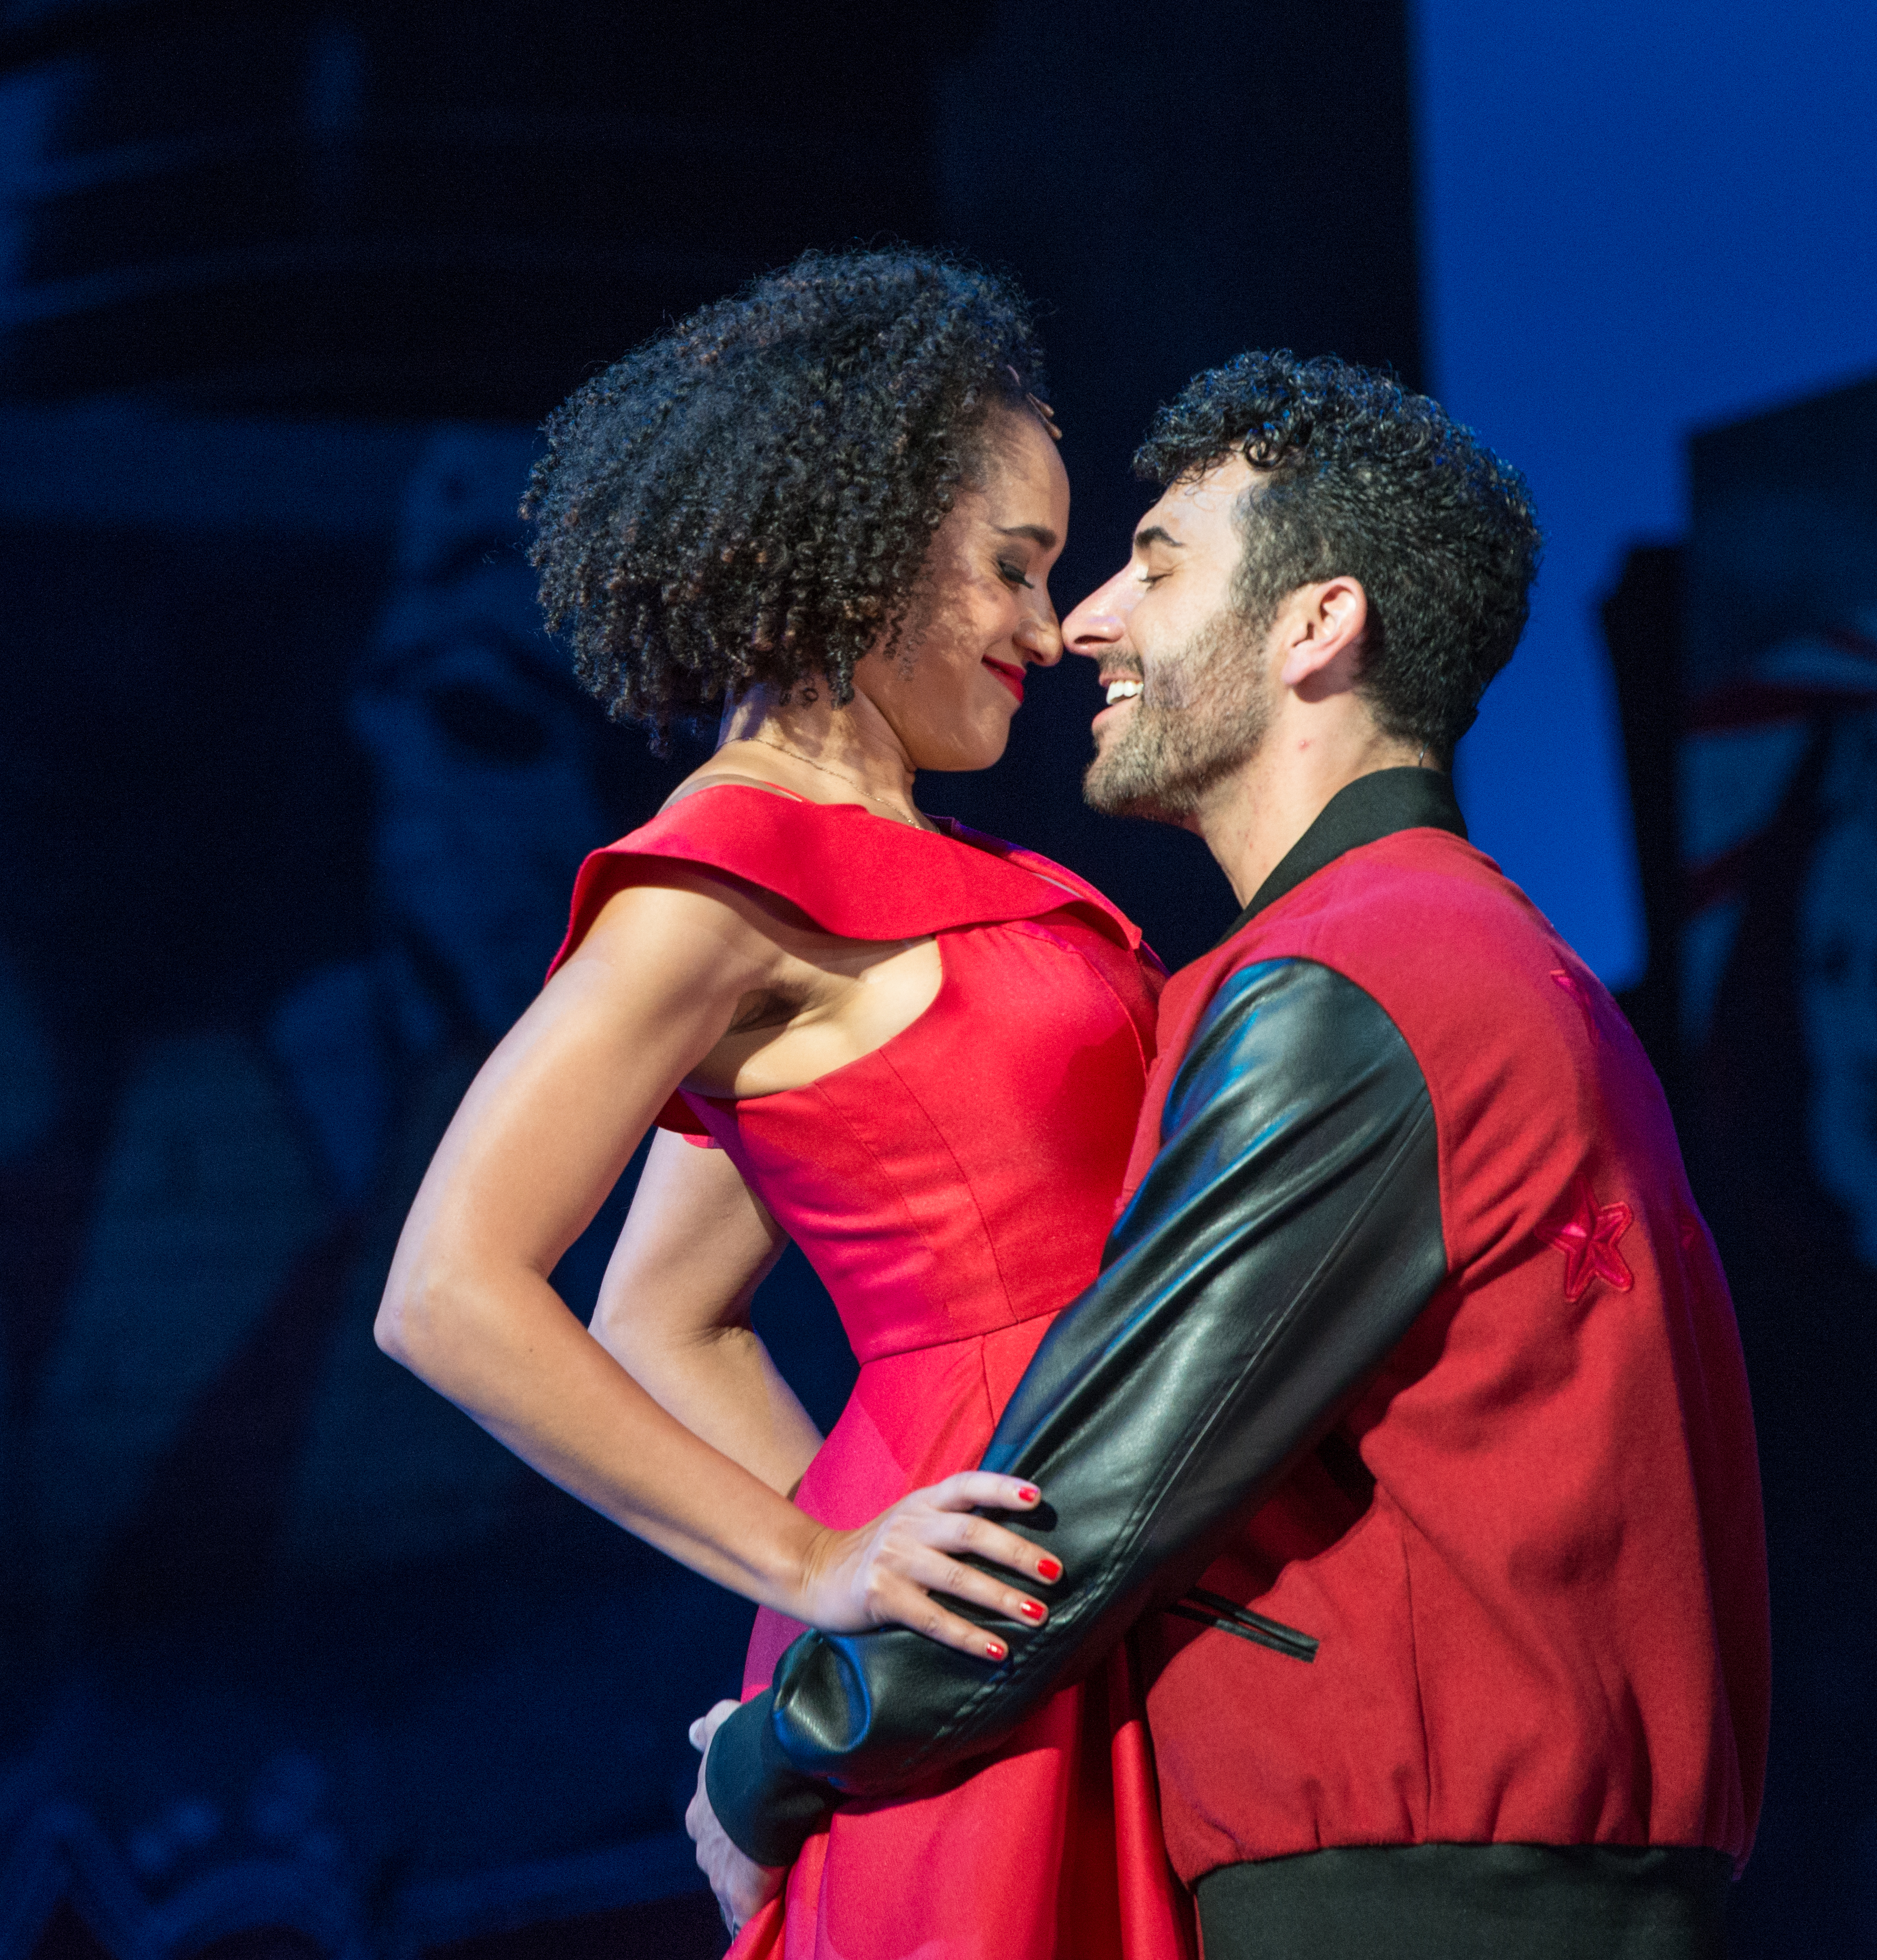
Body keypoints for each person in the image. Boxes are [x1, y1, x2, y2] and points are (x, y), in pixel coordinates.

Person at [693, 353, 1770, 1959]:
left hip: (1405, 1911)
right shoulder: (1481, 959)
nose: (1086, 625)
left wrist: (774, 1754)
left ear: (1314, 626)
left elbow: (1077, 1512)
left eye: (1155, 564)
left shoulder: (1356, 984)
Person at [376, 249, 1186, 1958]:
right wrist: (817, 1576)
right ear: (857, 548)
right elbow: (446, 1292)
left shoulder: (908, 864)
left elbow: (666, 1319)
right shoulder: (722, 877)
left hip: (1069, 1545)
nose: (1048, 630)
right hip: (1011, 1580)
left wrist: (845, 1575)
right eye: (1013, 569)